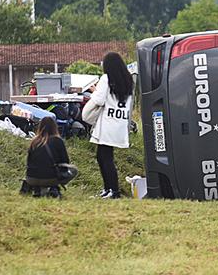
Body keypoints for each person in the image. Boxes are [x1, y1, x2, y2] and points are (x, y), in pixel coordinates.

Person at [84, 52, 134, 199]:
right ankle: (109, 190)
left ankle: (113, 191)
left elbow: (99, 100)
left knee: (105, 158)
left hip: (107, 123)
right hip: (119, 123)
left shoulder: (106, 78)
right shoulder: (128, 80)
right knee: (104, 156)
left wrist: (94, 91)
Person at [22, 116, 76, 198]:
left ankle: (38, 189)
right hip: (51, 178)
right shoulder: (58, 141)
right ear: (55, 127)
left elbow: (29, 161)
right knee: (74, 169)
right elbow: (65, 162)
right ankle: (53, 187)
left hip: (31, 178)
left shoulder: (34, 142)